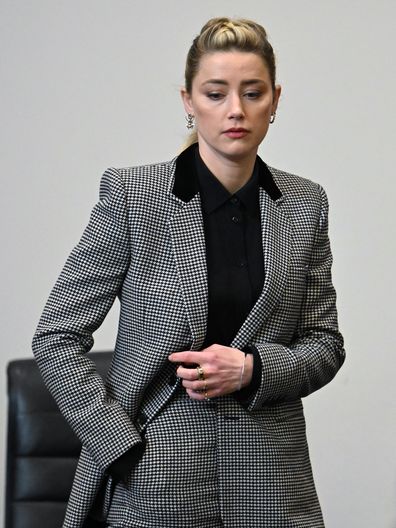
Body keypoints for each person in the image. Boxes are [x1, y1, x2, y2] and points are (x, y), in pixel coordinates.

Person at [32, 17, 345, 528]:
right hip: (157, 475)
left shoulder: (304, 203)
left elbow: (324, 344)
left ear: (275, 100)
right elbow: (56, 336)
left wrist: (253, 369)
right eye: (216, 93)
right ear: (188, 101)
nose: (236, 111)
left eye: (253, 92)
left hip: (272, 479)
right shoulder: (135, 196)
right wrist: (120, 447)